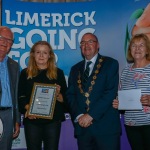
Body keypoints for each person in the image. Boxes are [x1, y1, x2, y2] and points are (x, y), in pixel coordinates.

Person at [66, 32, 121, 150]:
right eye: (83, 43)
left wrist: (90, 116)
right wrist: (80, 116)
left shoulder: (110, 64)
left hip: (106, 128)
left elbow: (110, 92)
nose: (86, 45)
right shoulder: (75, 69)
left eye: (90, 41)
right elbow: (70, 95)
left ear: (98, 45)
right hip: (83, 129)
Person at [18, 41, 67, 150]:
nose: (41, 55)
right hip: (32, 120)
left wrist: (58, 95)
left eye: (45, 52)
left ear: (50, 55)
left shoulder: (58, 73)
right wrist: (28, 109)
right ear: (33, 54)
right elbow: (20, 96)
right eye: (38, 52)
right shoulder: (25, 73)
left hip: (53, 121)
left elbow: (66, 99)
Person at [113, 33, 150, 150]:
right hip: (131, 123)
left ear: (147, 49)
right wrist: (118, 103)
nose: (137, 48)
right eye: (134, 45)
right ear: (130, 50)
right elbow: (122, 95)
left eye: (141, 45)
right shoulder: (125, 71)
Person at [0, 26, 20, 149]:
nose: (5, 42)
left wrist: (16, 120)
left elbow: (16, 95)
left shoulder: (14, 66)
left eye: (9, 40)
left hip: (8, 115)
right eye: (2, 38)